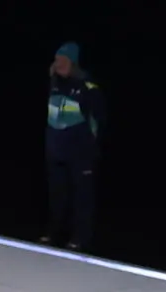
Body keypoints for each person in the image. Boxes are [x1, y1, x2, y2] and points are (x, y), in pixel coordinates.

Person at [43, 44, 103, 251]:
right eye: (56, 59)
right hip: (56, 151)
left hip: (80, 154)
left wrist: (90, 151)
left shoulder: (87, 87)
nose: (57, 64)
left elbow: (98, 121)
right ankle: (53, 234)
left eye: (62, 60)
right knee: (57, 195)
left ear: (72, 63)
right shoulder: (54, 83)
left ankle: (80, 239)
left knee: (81, 198)